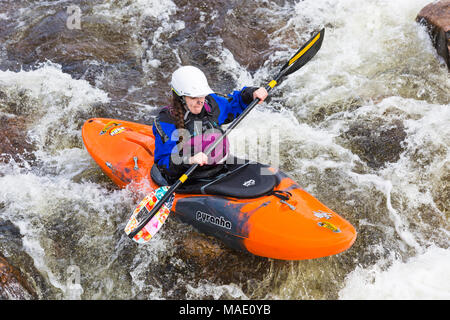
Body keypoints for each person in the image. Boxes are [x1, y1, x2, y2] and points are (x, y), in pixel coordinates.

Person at [152, 65, 268, 183]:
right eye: (194, 97)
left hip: (218, 167)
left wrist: (251, 94)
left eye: (202, 95)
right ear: (181, 98)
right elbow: (163, 163)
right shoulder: (166, 120)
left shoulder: (210, 104)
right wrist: (189, 160)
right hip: (188, 178)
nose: (200, 101)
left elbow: (234, 104)